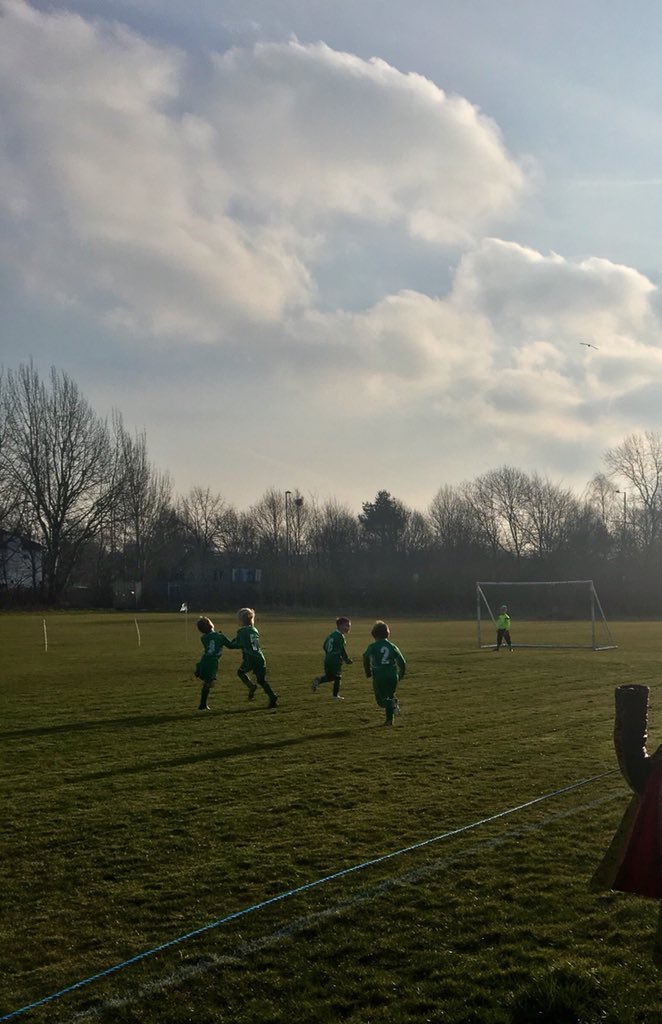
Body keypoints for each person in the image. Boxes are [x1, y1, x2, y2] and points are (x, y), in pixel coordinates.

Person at [232, 607, 278, 708]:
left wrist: (224, 641)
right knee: (261, 680)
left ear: (241, 620)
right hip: (259, 657)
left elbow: (236, 645)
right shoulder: (254, 629)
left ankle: (251, 686)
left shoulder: (241, 631)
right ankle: (272, 696)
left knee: (240, 672)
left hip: (250, 658)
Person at [363, 620, 406, 727]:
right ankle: (389, 721)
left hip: (379, 674)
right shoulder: (392, 646)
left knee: (381, 700)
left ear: (374, 634)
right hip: (392, 674)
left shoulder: (373, 646)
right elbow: (402, 662)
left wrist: (368, 671)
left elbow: (365, 656)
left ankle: (392, 704)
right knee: (389, 695)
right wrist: (401, 674)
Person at [194, 615, 234, 711]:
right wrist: (238, 641)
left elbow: (211, 642)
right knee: (208, 683)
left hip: (204, 660)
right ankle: (202, 704)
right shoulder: (220, 636)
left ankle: (198, 670)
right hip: (212, 662)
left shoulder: (203, 638)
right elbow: (231, 645)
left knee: (207, 682)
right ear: (211, 624)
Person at [311, 616, 353, 700]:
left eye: (349, 626)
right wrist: (346, 659)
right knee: (338, 677)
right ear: (340, 626)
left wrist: (329, 654)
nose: (348, 628)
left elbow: (324, 646)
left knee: (330, 677)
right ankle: (335, 696)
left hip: (328, 658)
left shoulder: (331, 635)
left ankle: (319, 680)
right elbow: (342, 649)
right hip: (335, 660)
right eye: (347, 626)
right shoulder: (340, 637)